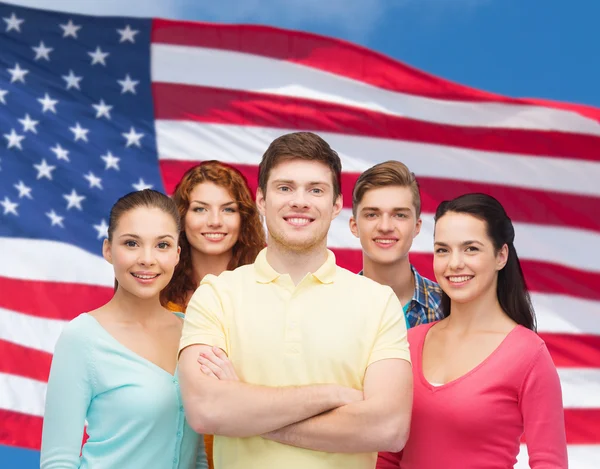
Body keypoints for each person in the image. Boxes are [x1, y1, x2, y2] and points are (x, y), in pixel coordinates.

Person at [178, 132, 413, 469]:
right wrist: (330, 396)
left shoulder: (377, 302)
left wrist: (247, 412)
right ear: (261, 200)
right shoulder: (216, 295)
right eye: (285, 188)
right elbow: (206, 411)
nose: (299, 201)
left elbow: (389, 428)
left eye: (315, 189)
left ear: (335, 205)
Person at [377, 193, 568, 469]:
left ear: (501, 255)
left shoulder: (529, 354)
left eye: (471, 249)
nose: (454, 263)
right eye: (443, 250)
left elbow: (550, 463)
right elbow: (387, 456)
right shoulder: (409, 341)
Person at [40, 189, 207, 469]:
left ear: (177, 254)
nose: (147, 258)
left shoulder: (191, 333)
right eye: (131, 243)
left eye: (162, 245)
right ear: (108, 249)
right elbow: (58, 461)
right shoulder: (82, 338)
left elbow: (198, 453)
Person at [160, 160, 266, 469]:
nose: (215, 221)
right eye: (200, 209)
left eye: (228, 209)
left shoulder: (267, 291)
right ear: (181, 216)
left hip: (246, 456)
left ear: (243, 219)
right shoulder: (158, 296)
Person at [349, 160, 443, 328]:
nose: (385, 227)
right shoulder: (332, 305)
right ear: (354, 226)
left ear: (416, 226)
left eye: (399, 215)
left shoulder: (449, 307)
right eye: (372, 214)